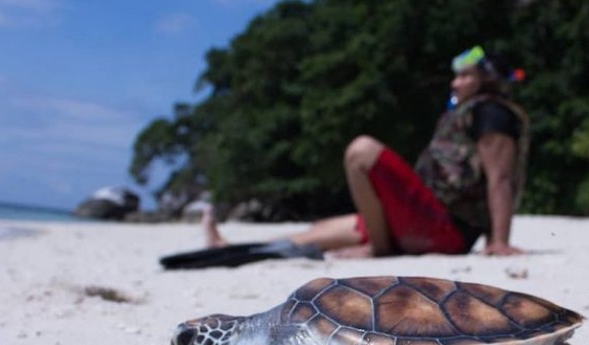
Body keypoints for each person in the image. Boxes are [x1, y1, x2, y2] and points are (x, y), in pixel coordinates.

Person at [204, 45, 529, 259]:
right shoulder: (469, 112)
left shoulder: (492, 114)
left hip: (447, 232)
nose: (455, 83)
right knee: (324, 229)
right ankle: (235, 248)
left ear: (486, 79)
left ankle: (379, 246)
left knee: (361, 151)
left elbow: (500, 179)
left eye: (464, 76)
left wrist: (498, 241)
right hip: (429, 219)